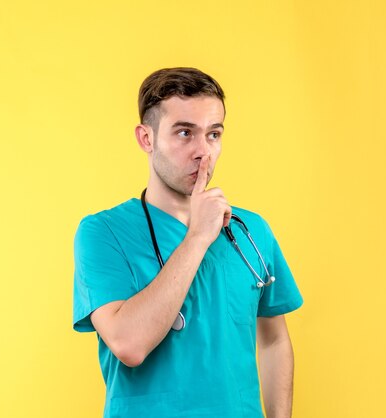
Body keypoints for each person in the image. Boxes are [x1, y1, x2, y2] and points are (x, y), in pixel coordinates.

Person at [73, 67, 303, 418]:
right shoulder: (103, 232)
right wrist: (197, 237)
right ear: (146, 139)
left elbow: (273, 340)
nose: (203, 151)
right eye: (185, 133)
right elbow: (128, 344)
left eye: (214, 134)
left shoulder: (250, 229)